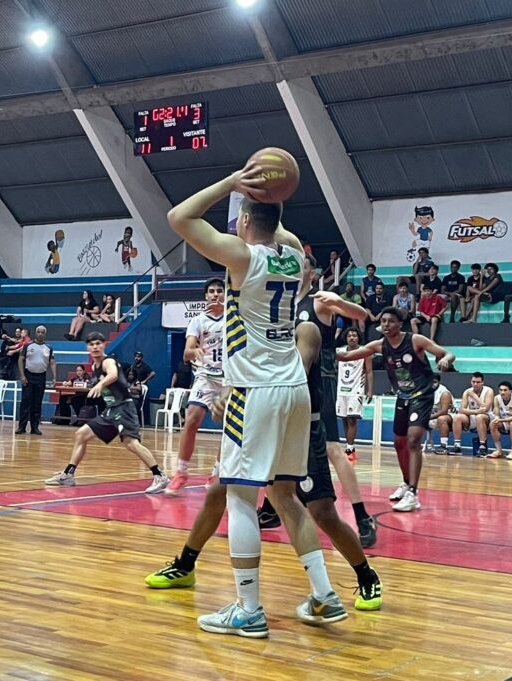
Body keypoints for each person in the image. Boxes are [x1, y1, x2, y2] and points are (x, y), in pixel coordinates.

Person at [167, 162, 333, 638]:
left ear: (242, 221)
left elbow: (180, 217)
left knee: (240, 498)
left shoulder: (242, 258)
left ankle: (249, 609)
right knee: (284, 496)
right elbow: (280, 229)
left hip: (255, 390)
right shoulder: (295, 259)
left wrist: (231, 183)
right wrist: (269, 200)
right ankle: (323, 595)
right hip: (294, 393)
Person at [144, 320, 383, 618]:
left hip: (300, 430)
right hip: (261, 423)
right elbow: (240, 375)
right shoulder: (252, 333)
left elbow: (294, 370)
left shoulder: (304, 329)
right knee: (220, 488)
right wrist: (225, 397)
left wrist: (241, 387)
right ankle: (185, 564)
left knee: (322, 513)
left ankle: (365, 575)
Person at [337, 307, 454, 512]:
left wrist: (444, 359)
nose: (385, 325)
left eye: (391, 321)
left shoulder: (415, 340)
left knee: (413, 439)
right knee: (399, 443)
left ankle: (413, 494)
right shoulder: (379, 345)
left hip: (422, 395)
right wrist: (322, 348)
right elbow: (347, 356)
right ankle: (406, 483)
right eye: (382, 321)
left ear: (400, 324)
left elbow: (447, 353)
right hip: (403, 396)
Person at [290, 283, 377, 547]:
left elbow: (361, 314)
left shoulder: (318, 300)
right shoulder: (285, 300)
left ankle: (362, 516)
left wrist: (339, 301)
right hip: (290, 383)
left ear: (310, 271)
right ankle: (273, 509)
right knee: (286, 447)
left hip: (319, 382)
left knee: (333, 450)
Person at [46, 332, 168, 492]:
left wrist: (100, 385)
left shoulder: (107, 361)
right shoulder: (95, 366)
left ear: (103, 345)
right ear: (88, 347)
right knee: (81, 434)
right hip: (111, 410)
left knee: (131, 444)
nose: (95, 347)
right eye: (92, 344)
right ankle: (69, 474)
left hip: (124, 407)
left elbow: (113, 375)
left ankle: (160, 476)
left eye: (98, 343)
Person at [164, 278, 225, 495]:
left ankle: (217, 472)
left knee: (229, 428)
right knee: (191, 419)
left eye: (219, 291)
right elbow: (186, 352)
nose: (215, 294)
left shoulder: (234, 318)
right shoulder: (198, 321)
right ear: (205, 296)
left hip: (230, 378)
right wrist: (195, 351)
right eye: (211, 291)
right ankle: (180, 473)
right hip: (206, 377)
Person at [337, 327, 373, 463]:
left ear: (359, 338)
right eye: (349, 335)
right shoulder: (339, 352)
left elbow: (369, 371)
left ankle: (349, 448)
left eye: (354, 335)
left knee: (352, 419)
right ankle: (349, 447)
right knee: (344, 419)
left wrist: (370, 390)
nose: (352, 338)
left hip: (356, 389)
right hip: (341, 389)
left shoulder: (364, 352)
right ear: (346, 338)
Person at [17, 326, 55, 435]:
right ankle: (22, 427)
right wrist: (22, 375)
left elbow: (52, 362)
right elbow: (20, 360)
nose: (40, 334)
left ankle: (35, 428)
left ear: (45, 334)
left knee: (37, 403)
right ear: (35, 333)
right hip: (28, 376)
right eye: (38, 332)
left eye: (42, 332)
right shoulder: (28, 346)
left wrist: (54, 377)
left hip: (41, 377)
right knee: (25, 402)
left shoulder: (49, 348)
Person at [450, 372, 494, 456]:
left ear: (482, 382)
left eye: (478, 382)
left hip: (488, 417)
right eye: (473, 382)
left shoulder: (489, 391)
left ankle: (482, 446)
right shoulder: (467, 392)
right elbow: (461, 410)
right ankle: (457, 446)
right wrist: (477, 411)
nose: (475, 384)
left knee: (480, 417)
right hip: (473, 416)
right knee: (457, 417)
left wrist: (474, 396)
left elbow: (486, 409)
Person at [487, 381, 512, 459]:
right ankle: (498, 450)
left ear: (510, 391)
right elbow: (496, 414)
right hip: (504, 421)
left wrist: (500, 420)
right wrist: (496, 419)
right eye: (500, 390)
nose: (502, 392)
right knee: (492, 424)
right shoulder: (497, 398)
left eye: (505, 390)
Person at [426, 373, 454, 454]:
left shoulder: (444, 393)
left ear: (439, 382)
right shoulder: (426, 390)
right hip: (434, 416)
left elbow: (444, 411)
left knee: (442, 419)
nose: (432, 384)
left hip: (450, 416)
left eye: (434, 382)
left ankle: (444, 446)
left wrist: (428, 417)